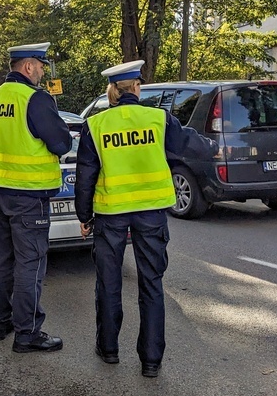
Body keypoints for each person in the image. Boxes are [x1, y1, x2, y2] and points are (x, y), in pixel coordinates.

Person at [75, 60, 218, 377]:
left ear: (112, 91)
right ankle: (151, 361)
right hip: (151, 214)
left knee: (109, 284)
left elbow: (85, 177)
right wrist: (214, 148)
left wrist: (84, 216)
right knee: (152, 285)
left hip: (111, 214)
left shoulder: (96, 126)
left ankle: (109, 350)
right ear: (137, 88)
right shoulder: (157, 119)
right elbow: (188, 143)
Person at [0, 42, 74, 353]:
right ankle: (27, 333)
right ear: (28, 67)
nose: (43, 71)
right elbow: (61, 143)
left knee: (2, 259)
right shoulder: (35, 99)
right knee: (30, 263)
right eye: (41, 66)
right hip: (28, 196)